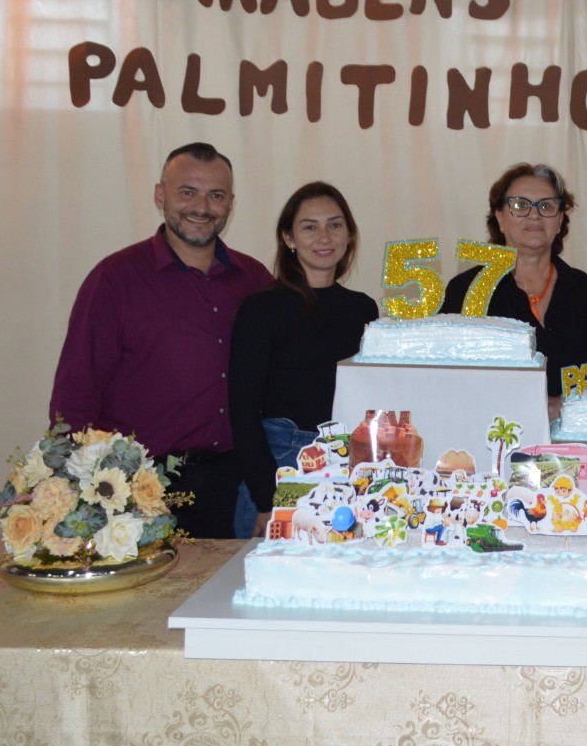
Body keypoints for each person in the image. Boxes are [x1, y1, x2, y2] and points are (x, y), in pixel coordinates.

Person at [50, 142, 272, 538]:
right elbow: (75, 395)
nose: (201, 207)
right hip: (139, 490)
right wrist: (85, 496)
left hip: (236, 490)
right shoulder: (115, 279)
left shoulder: (255, 281)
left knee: (228, 598)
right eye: (187, 191)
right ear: (160, 195)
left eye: (215, 195)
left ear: (231, 204)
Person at [229, 182, 379, 537]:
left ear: (348, 236)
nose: (324, 237)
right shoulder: (260, 308)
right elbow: (243, 412)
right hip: (283, 465)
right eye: (309, 226)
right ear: (289, 238)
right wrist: (267, 500)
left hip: (346, 467)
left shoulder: (363, 308)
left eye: (335, 225)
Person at [443, 163, 587, 419]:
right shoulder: (466, 289)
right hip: (491, 433)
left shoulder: (582, 288)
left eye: (546, 206)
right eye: (520, 205)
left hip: (570, 439)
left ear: (560, 220)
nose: (534, 215)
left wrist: (564, 407)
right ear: (500, 217)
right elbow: (452, 378)